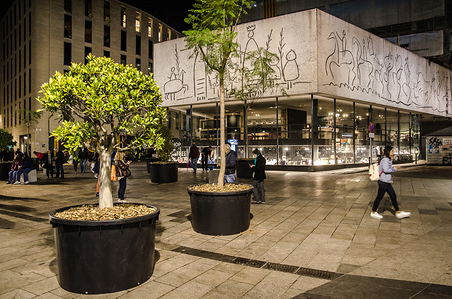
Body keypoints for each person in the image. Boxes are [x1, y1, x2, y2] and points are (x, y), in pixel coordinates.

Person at [370, 145, 411, 220]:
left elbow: (387, 169)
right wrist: (394, 169)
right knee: (379, 197)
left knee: (393, 196)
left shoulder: (387, 159)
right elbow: (386, 170)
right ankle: (373, 212)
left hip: (386, 181)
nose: (393, 152)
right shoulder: (385, 160)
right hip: (383, 182)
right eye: (392, 151)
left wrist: (393, 168)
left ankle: (398, 212)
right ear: (388, 152)